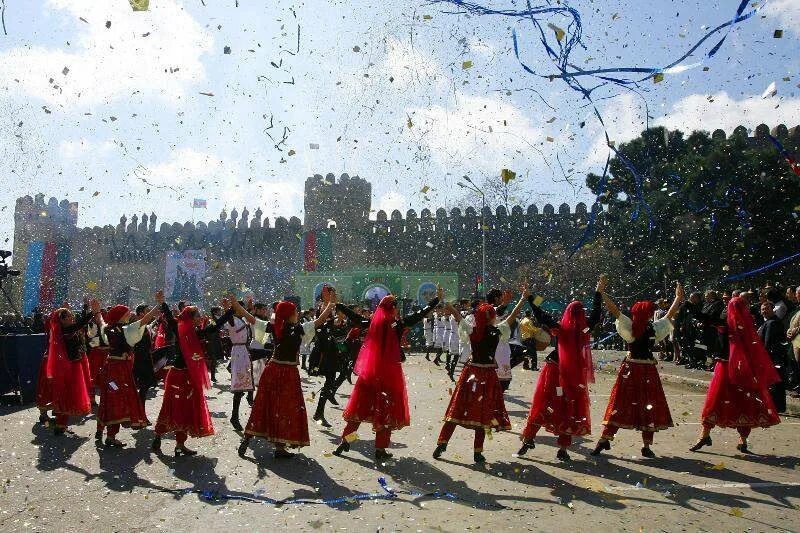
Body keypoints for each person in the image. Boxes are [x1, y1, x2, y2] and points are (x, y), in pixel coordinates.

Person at [333, 286, 442, 461]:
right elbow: (418, 315)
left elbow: (355, 318)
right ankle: (380, 449)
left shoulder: (372, 323)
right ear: (393, 308)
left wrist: (338, 304)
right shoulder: (397, 325)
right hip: (389, 373)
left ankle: (346, 441)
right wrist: (435, 301)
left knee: (360, 409)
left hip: (370, 372)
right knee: (386, 410)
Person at [433, 287, 528, 464]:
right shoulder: (496, 331)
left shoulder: (472, 331)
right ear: (491, 317)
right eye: (493, 315)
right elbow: (512, 317)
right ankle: (477, 452)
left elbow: (456, 314)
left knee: (457, 408)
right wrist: (522, 300)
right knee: (483, 412)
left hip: (471, 373)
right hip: (488, 375)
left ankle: (441, 443)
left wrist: (442, 298)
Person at [591, 281, 683, 458]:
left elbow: (614, 310)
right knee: (648, 405)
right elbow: (669, 316)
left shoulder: (629, 325)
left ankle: (604, 439)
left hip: (630, 369)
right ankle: (647, 446)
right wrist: (678, 297)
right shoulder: (653, 328)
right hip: (648, 371)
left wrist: (601, 293)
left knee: (620, 403)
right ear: (649, 314)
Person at [235, 296, 335, 458]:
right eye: (295, 311)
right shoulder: (299, 328)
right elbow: (320, 320)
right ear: (290, 314)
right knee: (286, 409)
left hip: (273, 369)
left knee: (264, 404)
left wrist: (236, 306)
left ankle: (249, 438)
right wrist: (330, 304)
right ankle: (279, 447)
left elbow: (252, 319)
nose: (297, 313)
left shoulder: (275, 327)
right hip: (288, 373)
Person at [518, 277, 604, 461]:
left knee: (543, 404)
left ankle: (529, 438)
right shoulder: (584, 330)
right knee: (568, 408)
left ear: (566, 312)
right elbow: (596, 316)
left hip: (554, 370)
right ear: (582, 314)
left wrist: (529, 297)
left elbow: (542, 315)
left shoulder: (560, 328)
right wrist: (599, 292)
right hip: (573, 375)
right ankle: (563, 448)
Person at [690, 297, 781, 453]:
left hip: (725, 368)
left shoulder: (725, 325)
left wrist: (686, 304)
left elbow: (704, 318)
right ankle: (743, 440)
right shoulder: (748, 326)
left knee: (715, 400)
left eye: (729, 306)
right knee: (743, 402)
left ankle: (705, 435)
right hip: (744, 370)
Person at [152, 299, 234, 456]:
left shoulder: (183, 330)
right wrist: (229, 311)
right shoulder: (192, 332)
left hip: (177, 375)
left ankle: (166, 438)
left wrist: (163, 303)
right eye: (197, 316)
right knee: (183, 409)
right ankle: (176, 443)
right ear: (191, 318)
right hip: (183, 377)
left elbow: (170, 317)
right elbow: (215, 327)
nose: (200, 318)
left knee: (172, 407)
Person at [95, 294, 164, 447]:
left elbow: (101, 323)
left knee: (108, 398)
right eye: (127, 313)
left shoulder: (108, 329)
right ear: (121, 316)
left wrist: (97, 312)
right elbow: (145, 320)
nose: (129, 314)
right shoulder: (125, 330)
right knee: (118, 400)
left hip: (109, 369)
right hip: (120, 371)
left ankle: (100, 429)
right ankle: (111, 436)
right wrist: (158, 305)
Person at [46, 299, 102, 435]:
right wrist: (92, 312)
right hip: (68, 368)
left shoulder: (67, 328)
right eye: (69, 316)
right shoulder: (65, 330)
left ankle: (61, 424)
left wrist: (86, 308)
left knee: (67, 395)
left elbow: (79, 324)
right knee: (67, 395)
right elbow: (79, 324)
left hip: (72, 366)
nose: (72, 317)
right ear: (63, 320)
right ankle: (60, 425)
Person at [308, 287, 349, 428]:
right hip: (325, 350)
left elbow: (331, 325)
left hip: (331, 348)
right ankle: (319, 411)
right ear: (323, 295)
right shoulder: (323, 307)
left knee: (332, 378)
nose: (333, 295)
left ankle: (320, 410)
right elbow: (322, 326)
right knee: (330, 379)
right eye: (329, 292)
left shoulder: (330, 307)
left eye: (333, 292)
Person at [226, 308, 255, 431]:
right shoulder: (233, 321)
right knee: (238, 389)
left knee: (246, 383)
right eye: (240, 308)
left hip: (244, 352)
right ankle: (234, 416)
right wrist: (227, 308)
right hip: (238, 353)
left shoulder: (242, 319)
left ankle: (248, 398)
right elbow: (230, 319)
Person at [758, 302, 788, 413]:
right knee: (775, 382)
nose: (764, 311)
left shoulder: (772, 323)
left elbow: (767, 342)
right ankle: (777, 406)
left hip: (772, 358)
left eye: (766, 309)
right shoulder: (768, 322)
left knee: (774, 383)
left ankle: (776, 406)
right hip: (773, 357)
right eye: (762, 309)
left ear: (773, 310)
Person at [131, 304, 158, 412]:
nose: (149, 313)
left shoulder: (145, 326)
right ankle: (137, 412)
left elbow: (150, 325)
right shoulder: (136, 325)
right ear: (141, 313)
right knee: (139, 387)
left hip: (145, 358)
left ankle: (139, 411)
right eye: (147, 311)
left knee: (144, 387)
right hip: (138, 360)